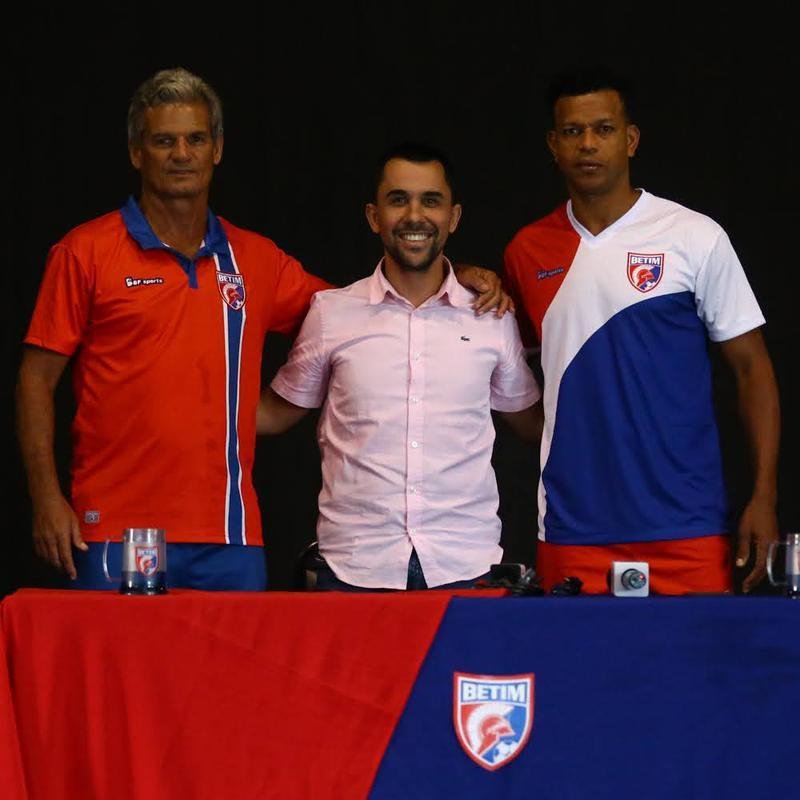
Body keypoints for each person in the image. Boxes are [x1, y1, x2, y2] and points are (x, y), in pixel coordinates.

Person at [15, 68, 508, 591]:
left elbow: (362, 311)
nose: (181, 154)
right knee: (122, 673)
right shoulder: (85, 252)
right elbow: (34, 380)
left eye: (196, 139)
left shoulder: (254, 259)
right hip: (118, 526)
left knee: (233, 676)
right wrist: (47, 498)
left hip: (230, 533)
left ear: (217, 149)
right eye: (164, 141)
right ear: (137, 152)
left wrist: (454, 278)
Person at [503, 66, 780, 595]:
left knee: (694, 675)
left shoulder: (694, 235)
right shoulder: (526, 251)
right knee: (579, 676)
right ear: (553, 145)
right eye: (573, 131)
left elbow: (752, 369)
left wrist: (763, 495)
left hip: (687, 523)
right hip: (574, 523)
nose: (588, 144)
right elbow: (507, 382)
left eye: (604, 129)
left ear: (630, 140)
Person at [258, 144, 542, 590]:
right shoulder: (332, 313)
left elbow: (532, 423)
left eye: (431, 201)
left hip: (465, 565)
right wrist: (177, 412)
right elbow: (274, 413)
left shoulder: (491, 318)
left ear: (453, 217)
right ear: (374, 217)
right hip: (353, 567)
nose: (415, 215)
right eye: (398, 200)